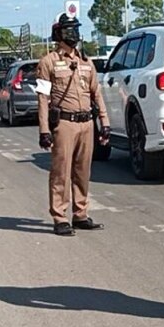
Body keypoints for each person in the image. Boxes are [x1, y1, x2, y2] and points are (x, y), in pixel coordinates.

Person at [36, 13, 111, 236]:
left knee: (82, 172)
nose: (74, 34)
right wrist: (44, 130)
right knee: (61, 172)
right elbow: (42, 98)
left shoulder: (86, 62)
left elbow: (96, 94)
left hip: (86, 123)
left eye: (76, 29)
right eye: (69, 30)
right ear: (58, 34)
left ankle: (80, 214)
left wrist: (104, 122)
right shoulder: (48, 62)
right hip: (64, 124)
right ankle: (60, 217)